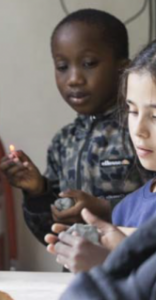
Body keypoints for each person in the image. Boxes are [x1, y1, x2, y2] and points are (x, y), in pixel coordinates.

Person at [0, 9, 152, 244]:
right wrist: (37, 192)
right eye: (62, 67)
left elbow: (149, 206)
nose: (74, 79)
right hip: (78, 272)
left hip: (133, 271)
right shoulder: (64, 142)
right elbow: (52, 234)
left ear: (123, 70)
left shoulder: (138, 135)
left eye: (89, 63)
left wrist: (104, 208)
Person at [46, 39, 156, 275]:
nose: (138, 129)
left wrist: (113, 265)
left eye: (155, 116)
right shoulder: (127, 209)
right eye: (133, 111)